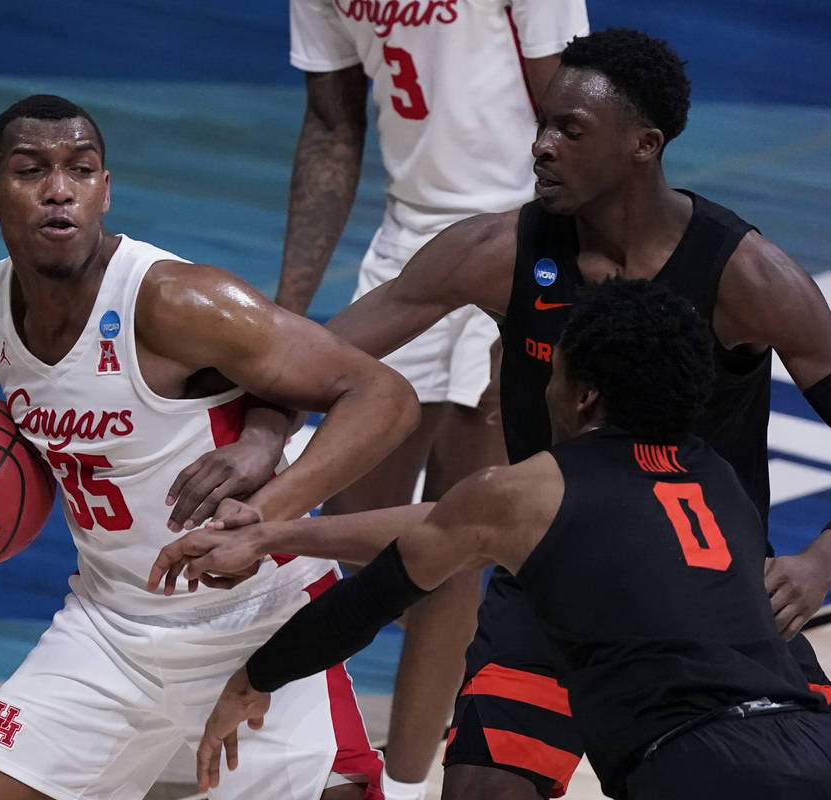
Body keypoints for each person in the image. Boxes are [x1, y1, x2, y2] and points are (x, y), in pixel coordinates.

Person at [174, 28, 831, 799]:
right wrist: (265, 437)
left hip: (701, 594)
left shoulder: (749, 276)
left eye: (568, 129)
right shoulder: (495, 250)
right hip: (545, 575)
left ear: (644, 144)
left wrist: (824, 560)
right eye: (540, 122)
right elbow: (315, 359)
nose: (539, 146)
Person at [0, 94, 420, 800]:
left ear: (106, 190)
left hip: (258, 626)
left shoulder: (177, 302)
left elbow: (384, 398)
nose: (58, 189)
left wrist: (265, 513)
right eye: (30, 170)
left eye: (81, 169)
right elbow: (70, 441)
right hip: (108, 628)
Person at [163, 279, 831, 799]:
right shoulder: (716, 476)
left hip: (700, 768)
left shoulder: (529, 488)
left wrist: (253, 679)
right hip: (825, 752)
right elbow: (443, 522)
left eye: (553, 372)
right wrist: (283, 532)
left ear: (585, 393)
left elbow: (376, 595)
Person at [279, 5, 589, 795]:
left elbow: (579, 117)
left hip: (519, 243)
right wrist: (283, 326)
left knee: (463, 535)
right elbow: (331, 126)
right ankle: (326, 751)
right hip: (407, 247)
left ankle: (408, 782)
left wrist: (547, 293)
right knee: (356, 534)